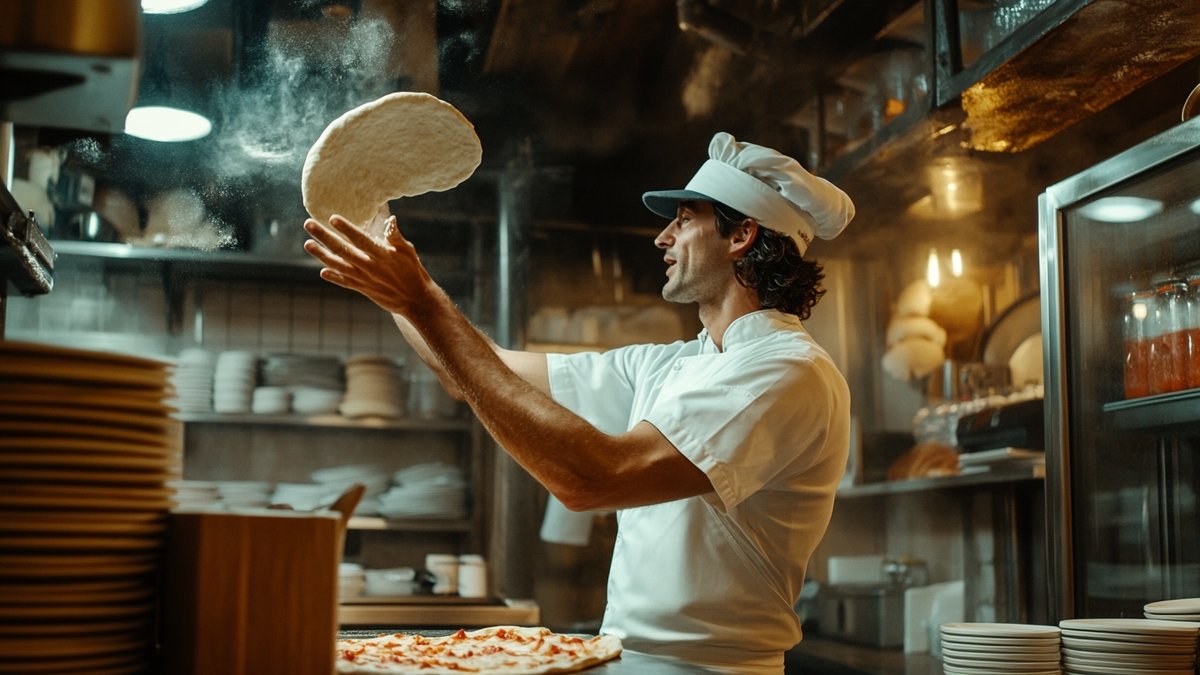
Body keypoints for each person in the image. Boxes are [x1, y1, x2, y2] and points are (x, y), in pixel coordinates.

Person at [303, 131, 855, 674]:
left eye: (684, 220)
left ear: (741, 236)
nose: (663, 238)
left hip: (712, 668)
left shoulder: (784, 371)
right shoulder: (668, 365)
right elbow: (475, 371)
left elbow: (596, 479)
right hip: (626, 657)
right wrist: (390, 278)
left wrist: (422, 297)